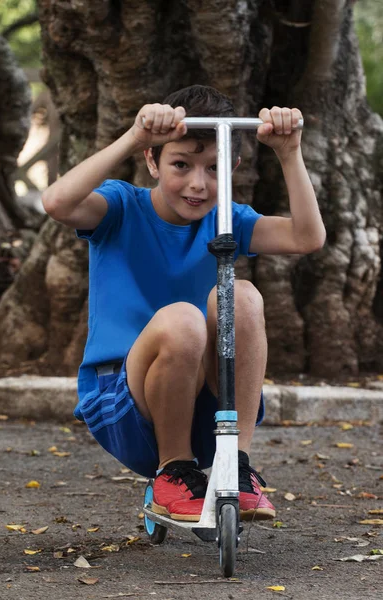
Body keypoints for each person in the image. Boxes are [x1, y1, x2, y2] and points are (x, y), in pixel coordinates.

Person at [42, 85, 326, 523]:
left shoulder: (226, 217)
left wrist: (289, 153)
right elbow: (57, 202)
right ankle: (171, 471)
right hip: (125, 405)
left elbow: (307, 238)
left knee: (243, 295)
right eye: (181, 164)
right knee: (183, 319)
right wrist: (135, 136)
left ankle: (239, 465)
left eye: (214, 168)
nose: (198, 183)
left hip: (207, 414)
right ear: (152, 161)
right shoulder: (121, 206)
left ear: (231, 168)